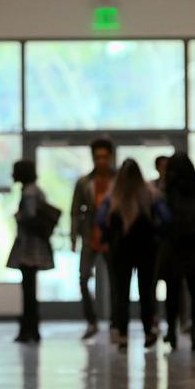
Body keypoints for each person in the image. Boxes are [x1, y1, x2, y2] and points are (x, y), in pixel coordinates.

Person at [97, 159, 170, 351]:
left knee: (121, 292)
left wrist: (108, 236)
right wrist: (157, 233)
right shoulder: (150, 194)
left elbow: (100, 219)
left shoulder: (112, 196)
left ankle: (122, 334)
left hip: (120, 250)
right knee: (147, 291)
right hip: (146, 249)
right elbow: (166, 218)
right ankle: (148, 331)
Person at [158, 152, 195, 351]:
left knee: (172, 293)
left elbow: (161, 217)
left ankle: (172, 332)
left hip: (174, 246)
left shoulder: (169, 189)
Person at [70, 139, 117, 340]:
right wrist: (74, 236)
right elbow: (75, 211)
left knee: (116, 282)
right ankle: (91, 321)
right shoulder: (84, 182)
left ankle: (116, 323)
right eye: (98, 157)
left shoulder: (117, 181)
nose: (102, 161)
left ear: (111, 157)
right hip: (90, 237)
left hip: (112, 238)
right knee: (83, 279)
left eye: (105, 157)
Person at [6, 161, 55, 343]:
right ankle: (31, 328)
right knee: (29, 288)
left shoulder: (29, 192)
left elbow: (29, 216)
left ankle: (30, 329)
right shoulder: (36, 190)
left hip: (29, 247)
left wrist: (18, 217)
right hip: (35, 246)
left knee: (28, 289)